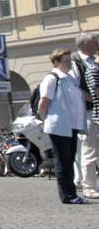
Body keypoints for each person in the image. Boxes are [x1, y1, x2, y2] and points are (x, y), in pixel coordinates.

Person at [38, 49, 88, 204]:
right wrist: (45, 120)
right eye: (66, 61)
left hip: (71, 125)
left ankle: (71, 193)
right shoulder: (52, 78)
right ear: (56, 62)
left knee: (69, 160)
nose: (70, 64)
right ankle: (67, 195)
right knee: (63, 161)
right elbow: (44, 102)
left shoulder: (69, 79)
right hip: (59, 126)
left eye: (70, 61)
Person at [72, 33, 99, 198]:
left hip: (94, 109)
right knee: (89, 148)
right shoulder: (75, 62)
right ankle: (88, 186)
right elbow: (75, 88)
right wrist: (93, 98)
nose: (97, 44)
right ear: (85, 45)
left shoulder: (93, 61)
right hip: (88, 111)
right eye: (94, 42)